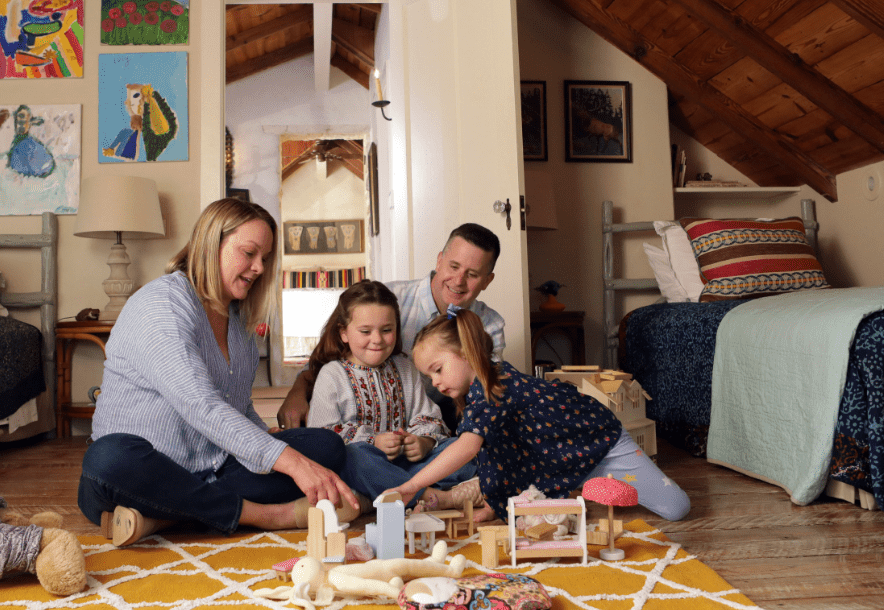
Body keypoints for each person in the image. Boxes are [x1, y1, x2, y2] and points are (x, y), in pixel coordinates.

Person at [78, 198, 360, 546]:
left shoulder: (237, 322)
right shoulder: (162, 305)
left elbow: (239, 408)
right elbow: (202, 405)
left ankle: (162, 516)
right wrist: (292, 464)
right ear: (213, 244)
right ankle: (264, 515)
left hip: (212, 470)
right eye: (249, 253)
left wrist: (268, 442)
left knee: (325, 446)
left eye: (265, 259)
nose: (258, 268)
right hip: (142, 471)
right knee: (108, 457)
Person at [391, 307, 691, 524]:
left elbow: (467, 447)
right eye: (429, 376)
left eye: (438, 369)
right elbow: (496, 458)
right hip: (561, 455)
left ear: (468, 354)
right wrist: (497, 506)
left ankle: (591, 477)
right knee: (506, 463)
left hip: (601, 441)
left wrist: (411, 485)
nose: (436, 383)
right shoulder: (480, 392)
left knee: (677, 508)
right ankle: (579, 481)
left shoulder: (493, 388)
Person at [278, 222, 506, 430]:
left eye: (473, 274)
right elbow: (324, 361)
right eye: (453, 266)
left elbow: (485, 394)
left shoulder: (490, 325)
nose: (458, 281)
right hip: (361, 419)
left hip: (437, 416)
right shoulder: (386, 302)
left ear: (487, 280)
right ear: (439, 261)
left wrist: (427, 438)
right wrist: (296, 394)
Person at [306, 280, 479, 507]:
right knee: (356, 458)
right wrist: (373, 441)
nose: (377, 339)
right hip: (365, 468)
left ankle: (387, 493)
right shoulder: (332, 374)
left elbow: (427, 416)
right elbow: (322, 436)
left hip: (410, 466)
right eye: (365, 331)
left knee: (462, 450)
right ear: (344, 333)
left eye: (387, 330)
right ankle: (432, 497)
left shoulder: (405, 367)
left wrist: (423, 441)